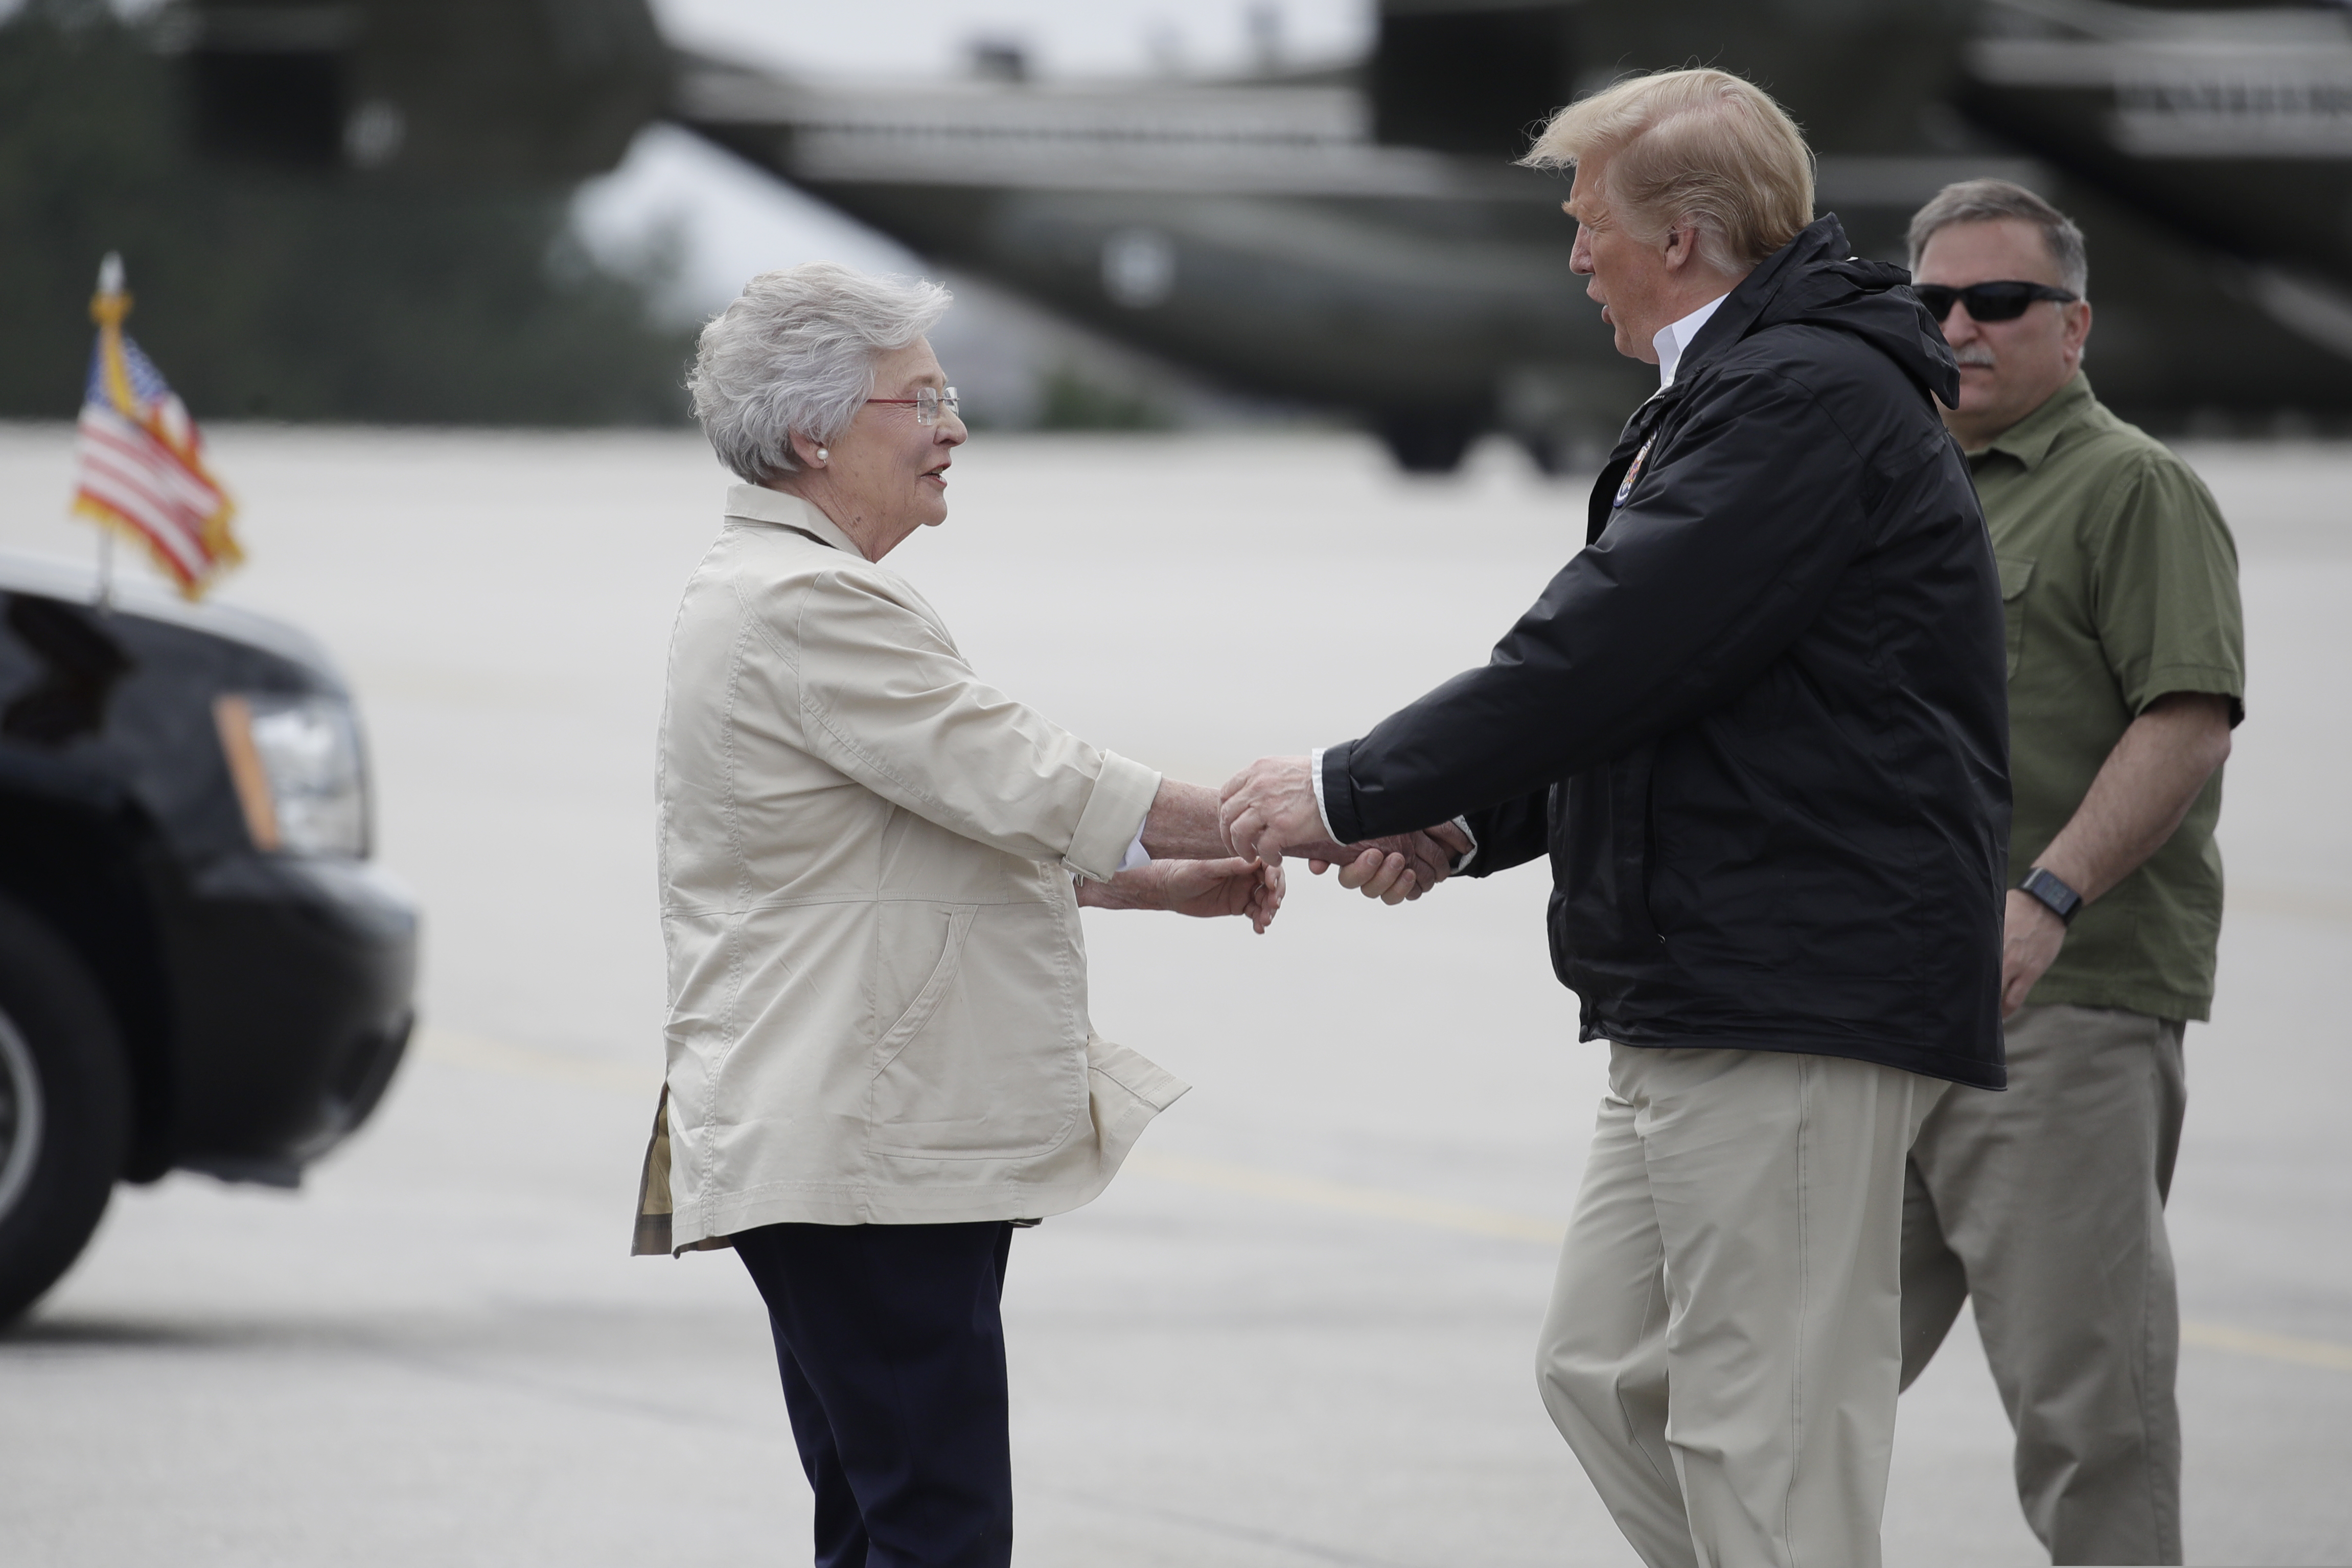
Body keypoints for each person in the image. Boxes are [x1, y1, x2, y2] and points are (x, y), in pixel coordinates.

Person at [1220, 70, 2011, 1567]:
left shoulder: (1805, 397)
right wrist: (1461, 828)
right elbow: (1658, 684)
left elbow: (1608, 644)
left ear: (1691, 235)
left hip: (1798, 982)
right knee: (1603, 1373)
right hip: (1700, 978)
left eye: (1592, 223)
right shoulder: (1741, 386)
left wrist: (1347, 788)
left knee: (1764, 1426)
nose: (1574, 254)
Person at [633, 263, 1448, 1568]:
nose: (956, 426)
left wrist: (1156, 882)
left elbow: (935, 823)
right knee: (936, 1532)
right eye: (923, 399)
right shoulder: (807, 602)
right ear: (812, 435)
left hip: (842, 1141)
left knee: (882, 1520)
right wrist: (1298, 808)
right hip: (862, 1152)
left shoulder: (776, 591)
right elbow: (1019, 771)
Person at [1898, 180, 2243, 1567]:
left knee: (2085, 1414)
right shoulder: (1891, 482)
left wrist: (2045, 898)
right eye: (1930, 304)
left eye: (1998, 301)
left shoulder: (2133, 490)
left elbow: (2187, 719)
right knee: (1770, 1385)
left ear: (2075, 323)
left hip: (2061, 1009)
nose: (1960, 328)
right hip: (1872, 1008)